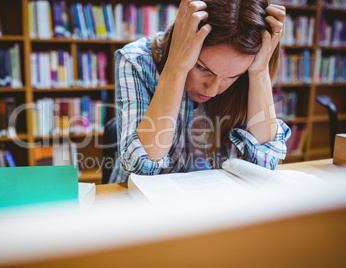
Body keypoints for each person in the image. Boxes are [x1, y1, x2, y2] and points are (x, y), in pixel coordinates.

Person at [109, 0, 291, 183]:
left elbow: (264, 166)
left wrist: (259, 72)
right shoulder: (136, 61)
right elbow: (140, 169)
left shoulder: (250, 73)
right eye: (203, 68)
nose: (212, 90)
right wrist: (176, 67)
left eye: (232, 76)